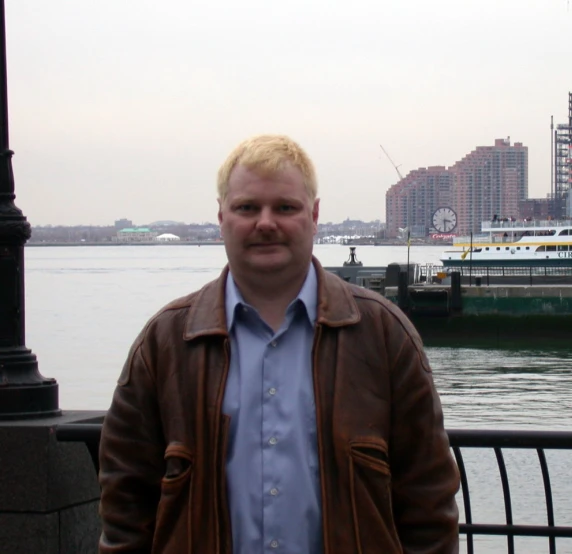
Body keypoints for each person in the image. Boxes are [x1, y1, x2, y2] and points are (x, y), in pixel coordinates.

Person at [98, 134, 460, 553]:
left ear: (315, 214)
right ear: (221, 217)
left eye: (285, 207)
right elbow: (125, 503)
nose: (265, 223)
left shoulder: (383, 335)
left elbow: (428, 502)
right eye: (247, 207)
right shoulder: (165, 344)